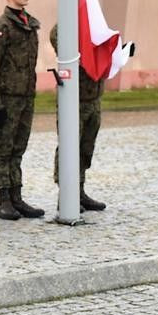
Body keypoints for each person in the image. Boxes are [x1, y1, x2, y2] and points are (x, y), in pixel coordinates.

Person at [0, 0, 44, 221]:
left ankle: (17, 197)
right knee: (2, 150)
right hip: (6, 99)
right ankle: (3, 200)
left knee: (18, 149)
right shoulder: (1, 27)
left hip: (25, 97)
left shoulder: (29, 24)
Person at [50, 24, 107, 211]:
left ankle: (79, 190)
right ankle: (66, 194)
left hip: (93, 96)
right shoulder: (66, 24)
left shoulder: (95, 22)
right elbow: (60, 44)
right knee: (69, 147)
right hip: (74, 98)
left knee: (85, 147)